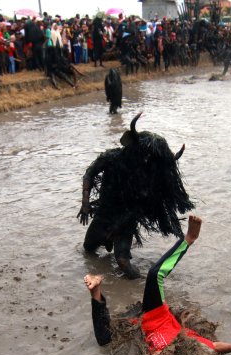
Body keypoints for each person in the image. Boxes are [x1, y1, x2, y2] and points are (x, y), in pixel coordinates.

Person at [85, 215, 231, 355]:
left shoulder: (179, 350)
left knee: (104, 340)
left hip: (137, 324)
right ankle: (189, 239)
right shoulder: (189, 338)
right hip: (157, 313)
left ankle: (96, 291)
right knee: (154, 274)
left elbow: (212, 347)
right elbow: (214, 346)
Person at [78, 113, 194, 279]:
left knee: (124, 265)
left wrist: (117, 227)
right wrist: (85, 203)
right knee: (88, 249)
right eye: (143, 154)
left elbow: (138, 208)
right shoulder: (111, 157)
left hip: (125, 220)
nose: (145, 159)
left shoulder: (147, 175)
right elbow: (89, 173)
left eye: (149, 157)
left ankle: (145, 284)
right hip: (104, 214)